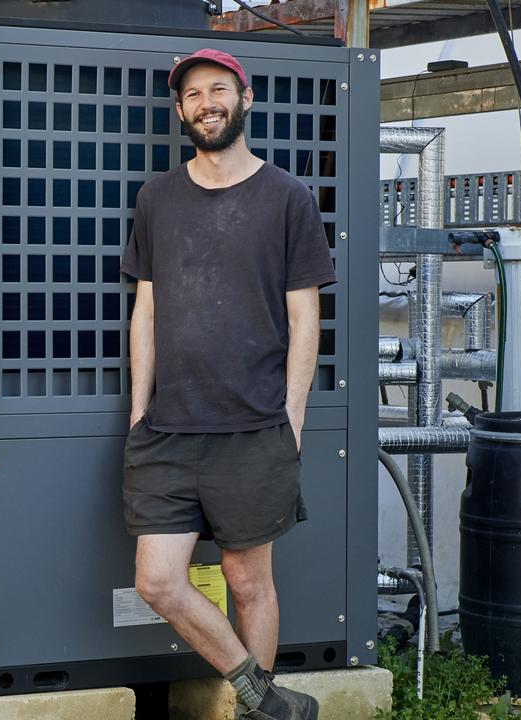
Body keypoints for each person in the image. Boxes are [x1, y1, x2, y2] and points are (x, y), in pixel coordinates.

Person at [120, 48, 337, 720]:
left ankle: (254, 714)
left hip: (255, 429)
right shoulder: (157, 198)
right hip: (168, 430)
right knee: (157, 581)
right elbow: (146, 310)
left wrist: (292, 418)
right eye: (192, 95)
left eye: (218, 89)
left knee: (249, 581)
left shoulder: (288, 197)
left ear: (245, 99)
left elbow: (307, 319)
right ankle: (267, 699)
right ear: (181, 111)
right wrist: (138, 415)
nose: (206, 103)